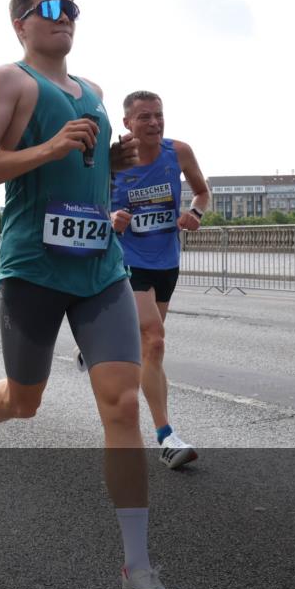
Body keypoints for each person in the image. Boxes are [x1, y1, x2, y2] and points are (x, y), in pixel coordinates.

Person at [0, 0, 189, 589]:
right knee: (23, 402)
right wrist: (50, 146)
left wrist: (111, 161)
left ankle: (138, 579)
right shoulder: (10, 81)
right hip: (33, 267)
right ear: (21, 24)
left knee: (121, 401)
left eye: (72, 7)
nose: (64, 16)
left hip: (100, 269)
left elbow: (82, 167)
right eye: (49, 8)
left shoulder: (95, 91)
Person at [104, 90, 210, 470]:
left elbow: (202, 191)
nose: (153, 122)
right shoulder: (112, 162)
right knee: (155, 338)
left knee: (151, 349)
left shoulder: (178, 152)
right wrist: (111, 216)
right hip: (127, 259)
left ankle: (108, 341)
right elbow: (92, 203)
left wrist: (195, 214)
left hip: (166, 260)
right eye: (144, 117)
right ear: (127, 124)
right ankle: (166, 436)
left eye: (158, 115)